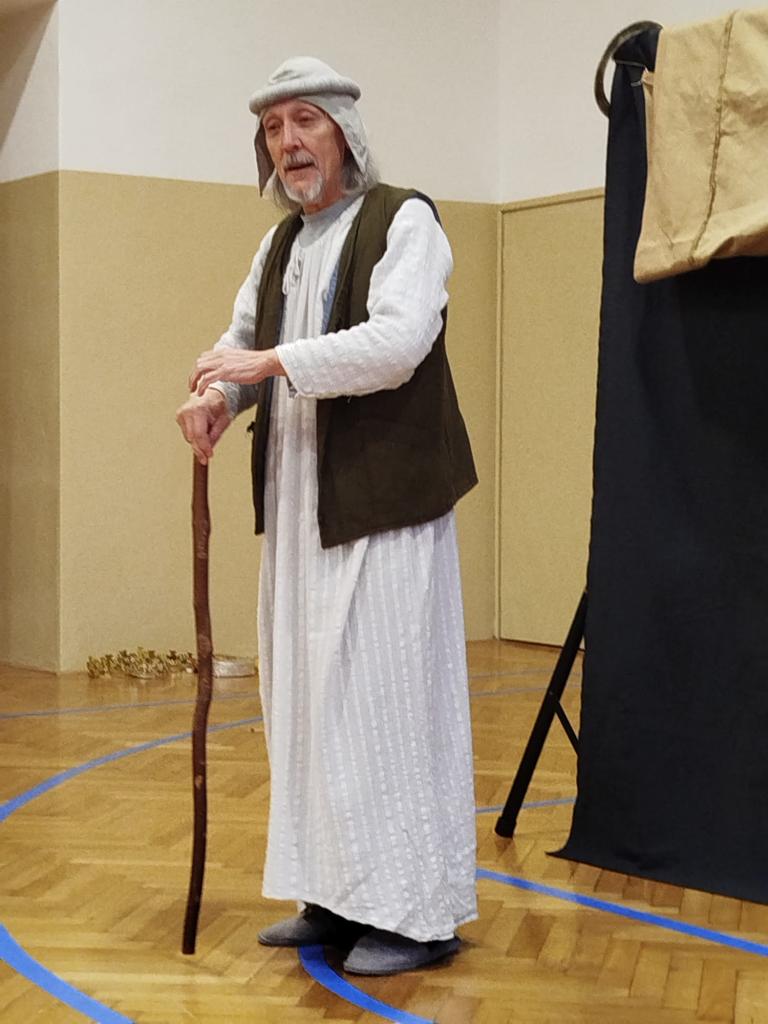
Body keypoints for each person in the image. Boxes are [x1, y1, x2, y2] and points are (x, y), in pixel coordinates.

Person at [176, 56, 478, 977]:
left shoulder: (404, 221)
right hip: (301, 511)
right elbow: (239, 343)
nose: (289, 143)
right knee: (306, 703)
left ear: (344, 131)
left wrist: (266, 366)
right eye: (274, 129)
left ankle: (416, 916)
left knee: (386, 704)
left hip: (384, 509)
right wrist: (216, 400)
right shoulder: (279, 246)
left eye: (305, 121)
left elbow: (397, 343)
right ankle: (334, 897)